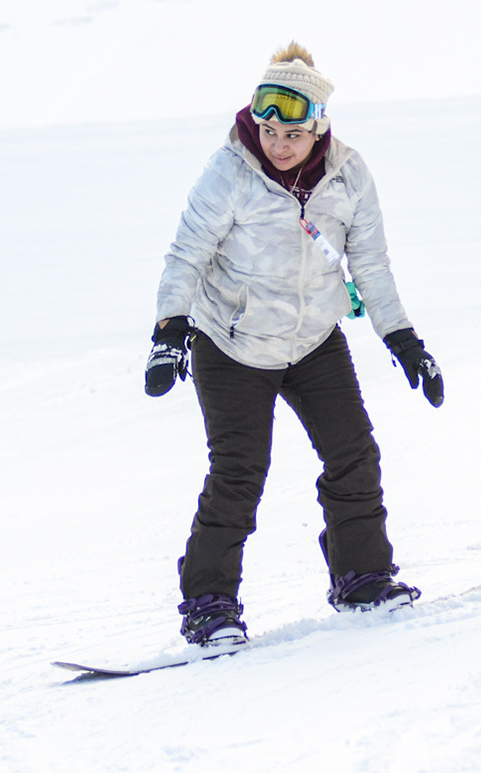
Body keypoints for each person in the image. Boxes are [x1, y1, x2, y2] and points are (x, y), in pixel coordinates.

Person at [143, 42, 443, 649]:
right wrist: (170, 330)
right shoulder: (229, 171)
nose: (278, 144)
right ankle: (209, 604)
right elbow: (187, 254)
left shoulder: (349, 174)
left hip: (313, 341)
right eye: (268, 129)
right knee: (238, 473)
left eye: (292, 134)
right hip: (232, 344)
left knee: (354, 455)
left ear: (319, 128)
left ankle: (362, 578)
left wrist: (404, 339)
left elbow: (373, 267)